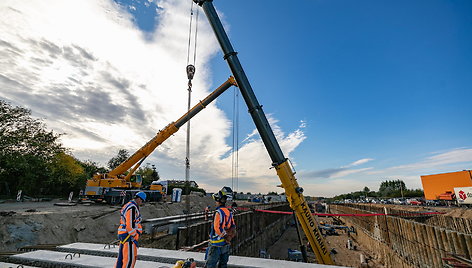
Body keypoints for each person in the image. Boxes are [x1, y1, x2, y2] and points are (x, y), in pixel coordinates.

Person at [204, 187, 236, 268]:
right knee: (223, 265)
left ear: (218, 201)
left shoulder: (218, 212)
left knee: (210, 265)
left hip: (216, 245)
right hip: (225, 245)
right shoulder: (229, 212)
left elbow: (217, 228)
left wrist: (225, 236)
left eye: (216, 201)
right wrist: (228, 238)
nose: (215, 203)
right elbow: (233, 226)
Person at [115, 191, 146, 268]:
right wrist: (134, 235)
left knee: (121, 259)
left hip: (124, 235)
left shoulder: (128, 205)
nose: (142, 203)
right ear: (139, 199)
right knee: (129, 259)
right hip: (129, 237)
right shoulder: (132, 208)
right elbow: (130, 224)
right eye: (142, 201)